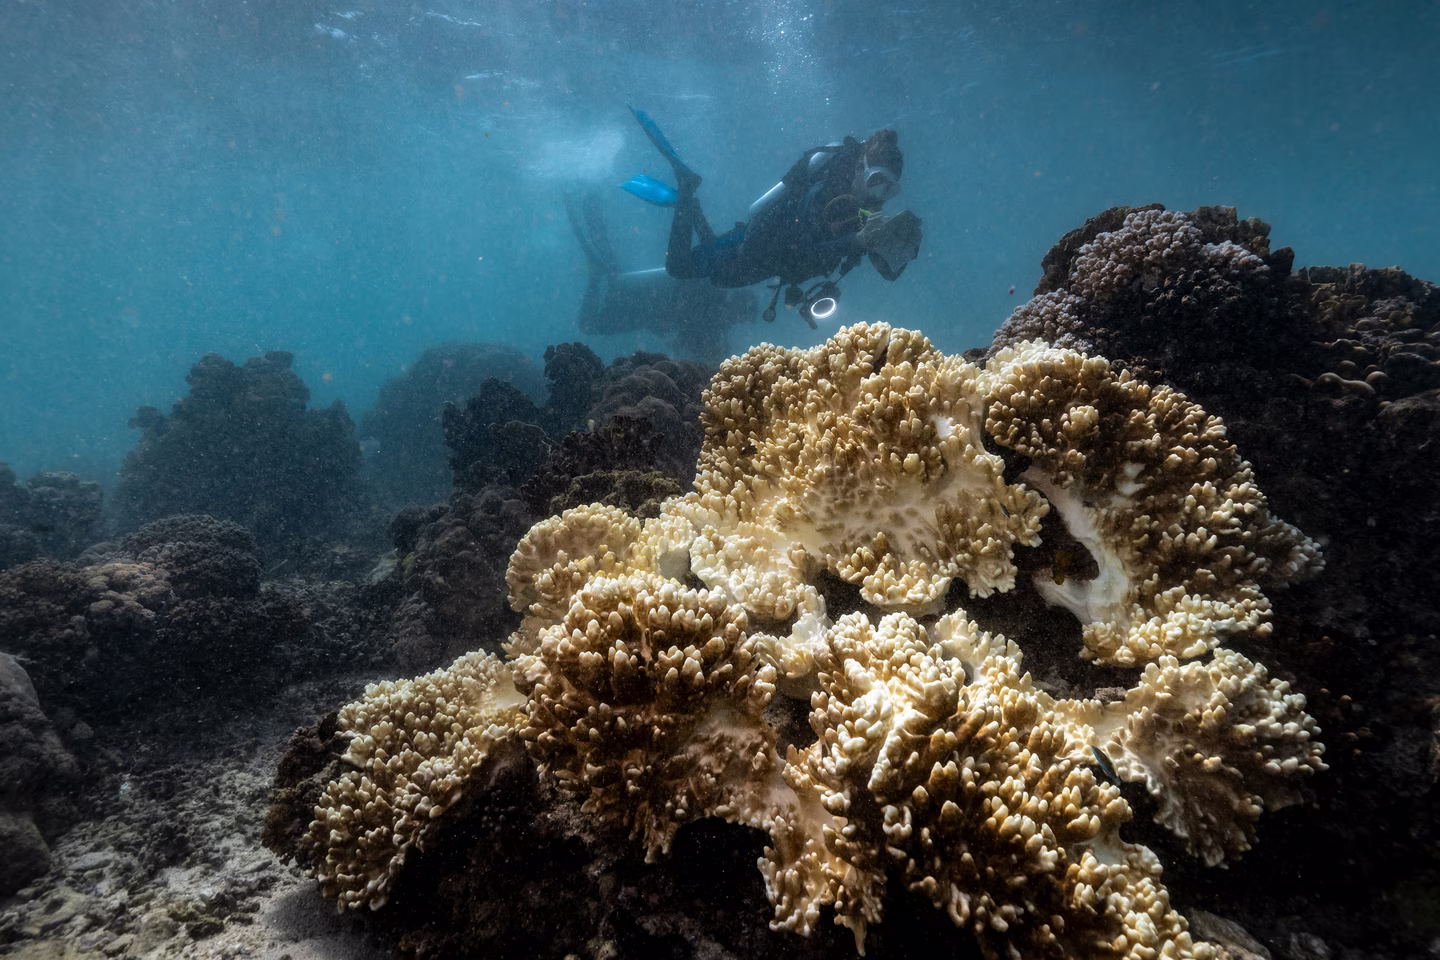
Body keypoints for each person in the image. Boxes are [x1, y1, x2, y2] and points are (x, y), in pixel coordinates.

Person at [622, 108, 923, 327]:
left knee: (716, 276)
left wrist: (903, 248)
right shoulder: (824, 189)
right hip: (757, 246)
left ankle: (692, 205)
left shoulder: (867, 210)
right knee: (679, 267)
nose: (879, 194)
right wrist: (856, 239)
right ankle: (686, 188)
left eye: (890, 188)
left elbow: (879, 265)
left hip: (768, 263)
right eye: (875, 181)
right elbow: (803, 250)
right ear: (860, 168)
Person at [564, 191, 756, 362]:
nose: (740, 322)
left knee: (618, 280)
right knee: (590, 322)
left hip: (648, 298)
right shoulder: (715, 316)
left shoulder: (715, 288)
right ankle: (597, 271)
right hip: (644, 310)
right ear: (739, 311)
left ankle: (599, 256)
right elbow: (694, 344)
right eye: (744, 318)